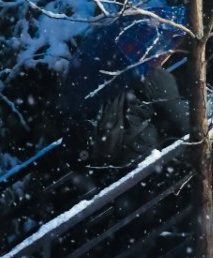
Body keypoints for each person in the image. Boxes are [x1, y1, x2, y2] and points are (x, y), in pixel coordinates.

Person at [59, 11, 188, 180]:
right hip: (143, 165)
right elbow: (184, 121)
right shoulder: (149, 74)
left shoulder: (111, 73)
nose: (170, 53)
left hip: (108, 172)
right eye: (171, 47)